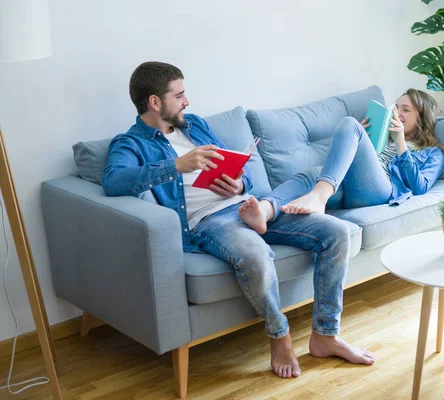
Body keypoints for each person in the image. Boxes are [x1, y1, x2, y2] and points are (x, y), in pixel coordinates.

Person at [102, 61, 375, 379]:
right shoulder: (131, 143)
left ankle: (326, 335)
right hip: (210, 221)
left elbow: (236, 169)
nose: (187, 101)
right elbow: (114, 181)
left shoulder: (196, 125)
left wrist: (238, 185)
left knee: (338, 231)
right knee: (255, 254)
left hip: (247, 205)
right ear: (154, 102)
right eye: (179, 95)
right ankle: (279, 335)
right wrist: (177, 164)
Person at [238, 89, 444, 235]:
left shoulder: (432, 153)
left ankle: (319, 197)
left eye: (406, 110)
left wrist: (400, 143)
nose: (397, 114)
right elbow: (354, 164)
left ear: (422, 116)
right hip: (352, 186)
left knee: (349, 123)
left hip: (383, 190)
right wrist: (363, 140)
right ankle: (264, 210)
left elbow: (420, 187)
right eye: (396, 107)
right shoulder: (384, 137)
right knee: (313, 174)